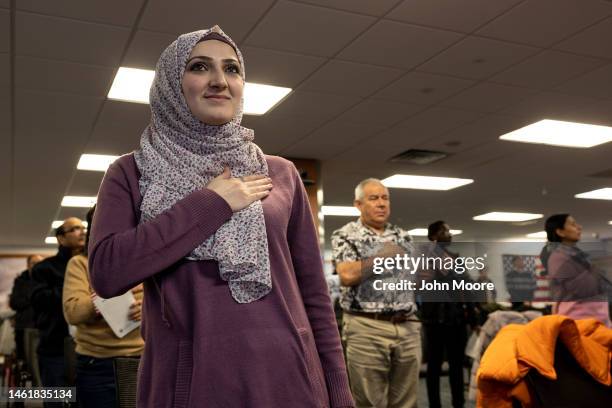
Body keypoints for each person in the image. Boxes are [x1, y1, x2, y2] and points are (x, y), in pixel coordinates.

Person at [88, 26, 353, 407]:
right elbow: (108, 273)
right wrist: (211, 203)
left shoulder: (279, 172)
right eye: (199, 67)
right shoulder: (132, 171)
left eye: (232, 69)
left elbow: (314, 295)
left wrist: (338, 391)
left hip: (290, 378)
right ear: (171, 84)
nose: (219, 81)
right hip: (192, 383)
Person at [331, 178, 420, 408]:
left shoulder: (403, 236)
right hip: (367, 327)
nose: (381, 204)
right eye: (374, 198)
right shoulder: (345, 235)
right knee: (369, 401)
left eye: (385, 198)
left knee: (407, 402)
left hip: (407, 325)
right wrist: (382, 256)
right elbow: (347, 275)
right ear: (358, 204)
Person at [63, 206, 144, 407]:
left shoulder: (145, 263)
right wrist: (105, 296)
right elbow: (73, 313)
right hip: (98, 363)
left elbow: (168, 306)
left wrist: (147, 308)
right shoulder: (80, 263)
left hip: (144, 359)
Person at [420, 221, 476, 408]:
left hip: (456, 319)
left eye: (449, 231)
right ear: (434, 236)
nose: (449, 234)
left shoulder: (457, 259)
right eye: (445, 231)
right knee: (434, 366)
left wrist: (473, 317)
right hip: (434, 320)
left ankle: (458, 403)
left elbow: (467, 288)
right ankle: (435, 404)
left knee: (456, 365)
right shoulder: (424, 258)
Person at [30, 217, 85, 406]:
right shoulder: (43, 268)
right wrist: (72, 285)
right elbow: (38, 301)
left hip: (86, 347)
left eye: (83, 227)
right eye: (75, 229)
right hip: (55, 347)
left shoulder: (91, 265)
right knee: (56, 401)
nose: (82, 232)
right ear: (61, 238)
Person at [540, 214, 610, 326]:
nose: (579, 227)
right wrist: (596, 270)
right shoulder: (559, 258)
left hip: (595, 318)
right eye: (573, 224)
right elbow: (585, 289)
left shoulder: (576, 255)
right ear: (560, 232)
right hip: (580, 321)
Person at [9, 254, 44, 361]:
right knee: (24, 360)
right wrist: (34, 298)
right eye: (34, 263)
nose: (37, 266)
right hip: (23, 327)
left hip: (43, 327)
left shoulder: (47, 280)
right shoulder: (20, 281)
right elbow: (14, 303)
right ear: (28, 265)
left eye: (39, 263)